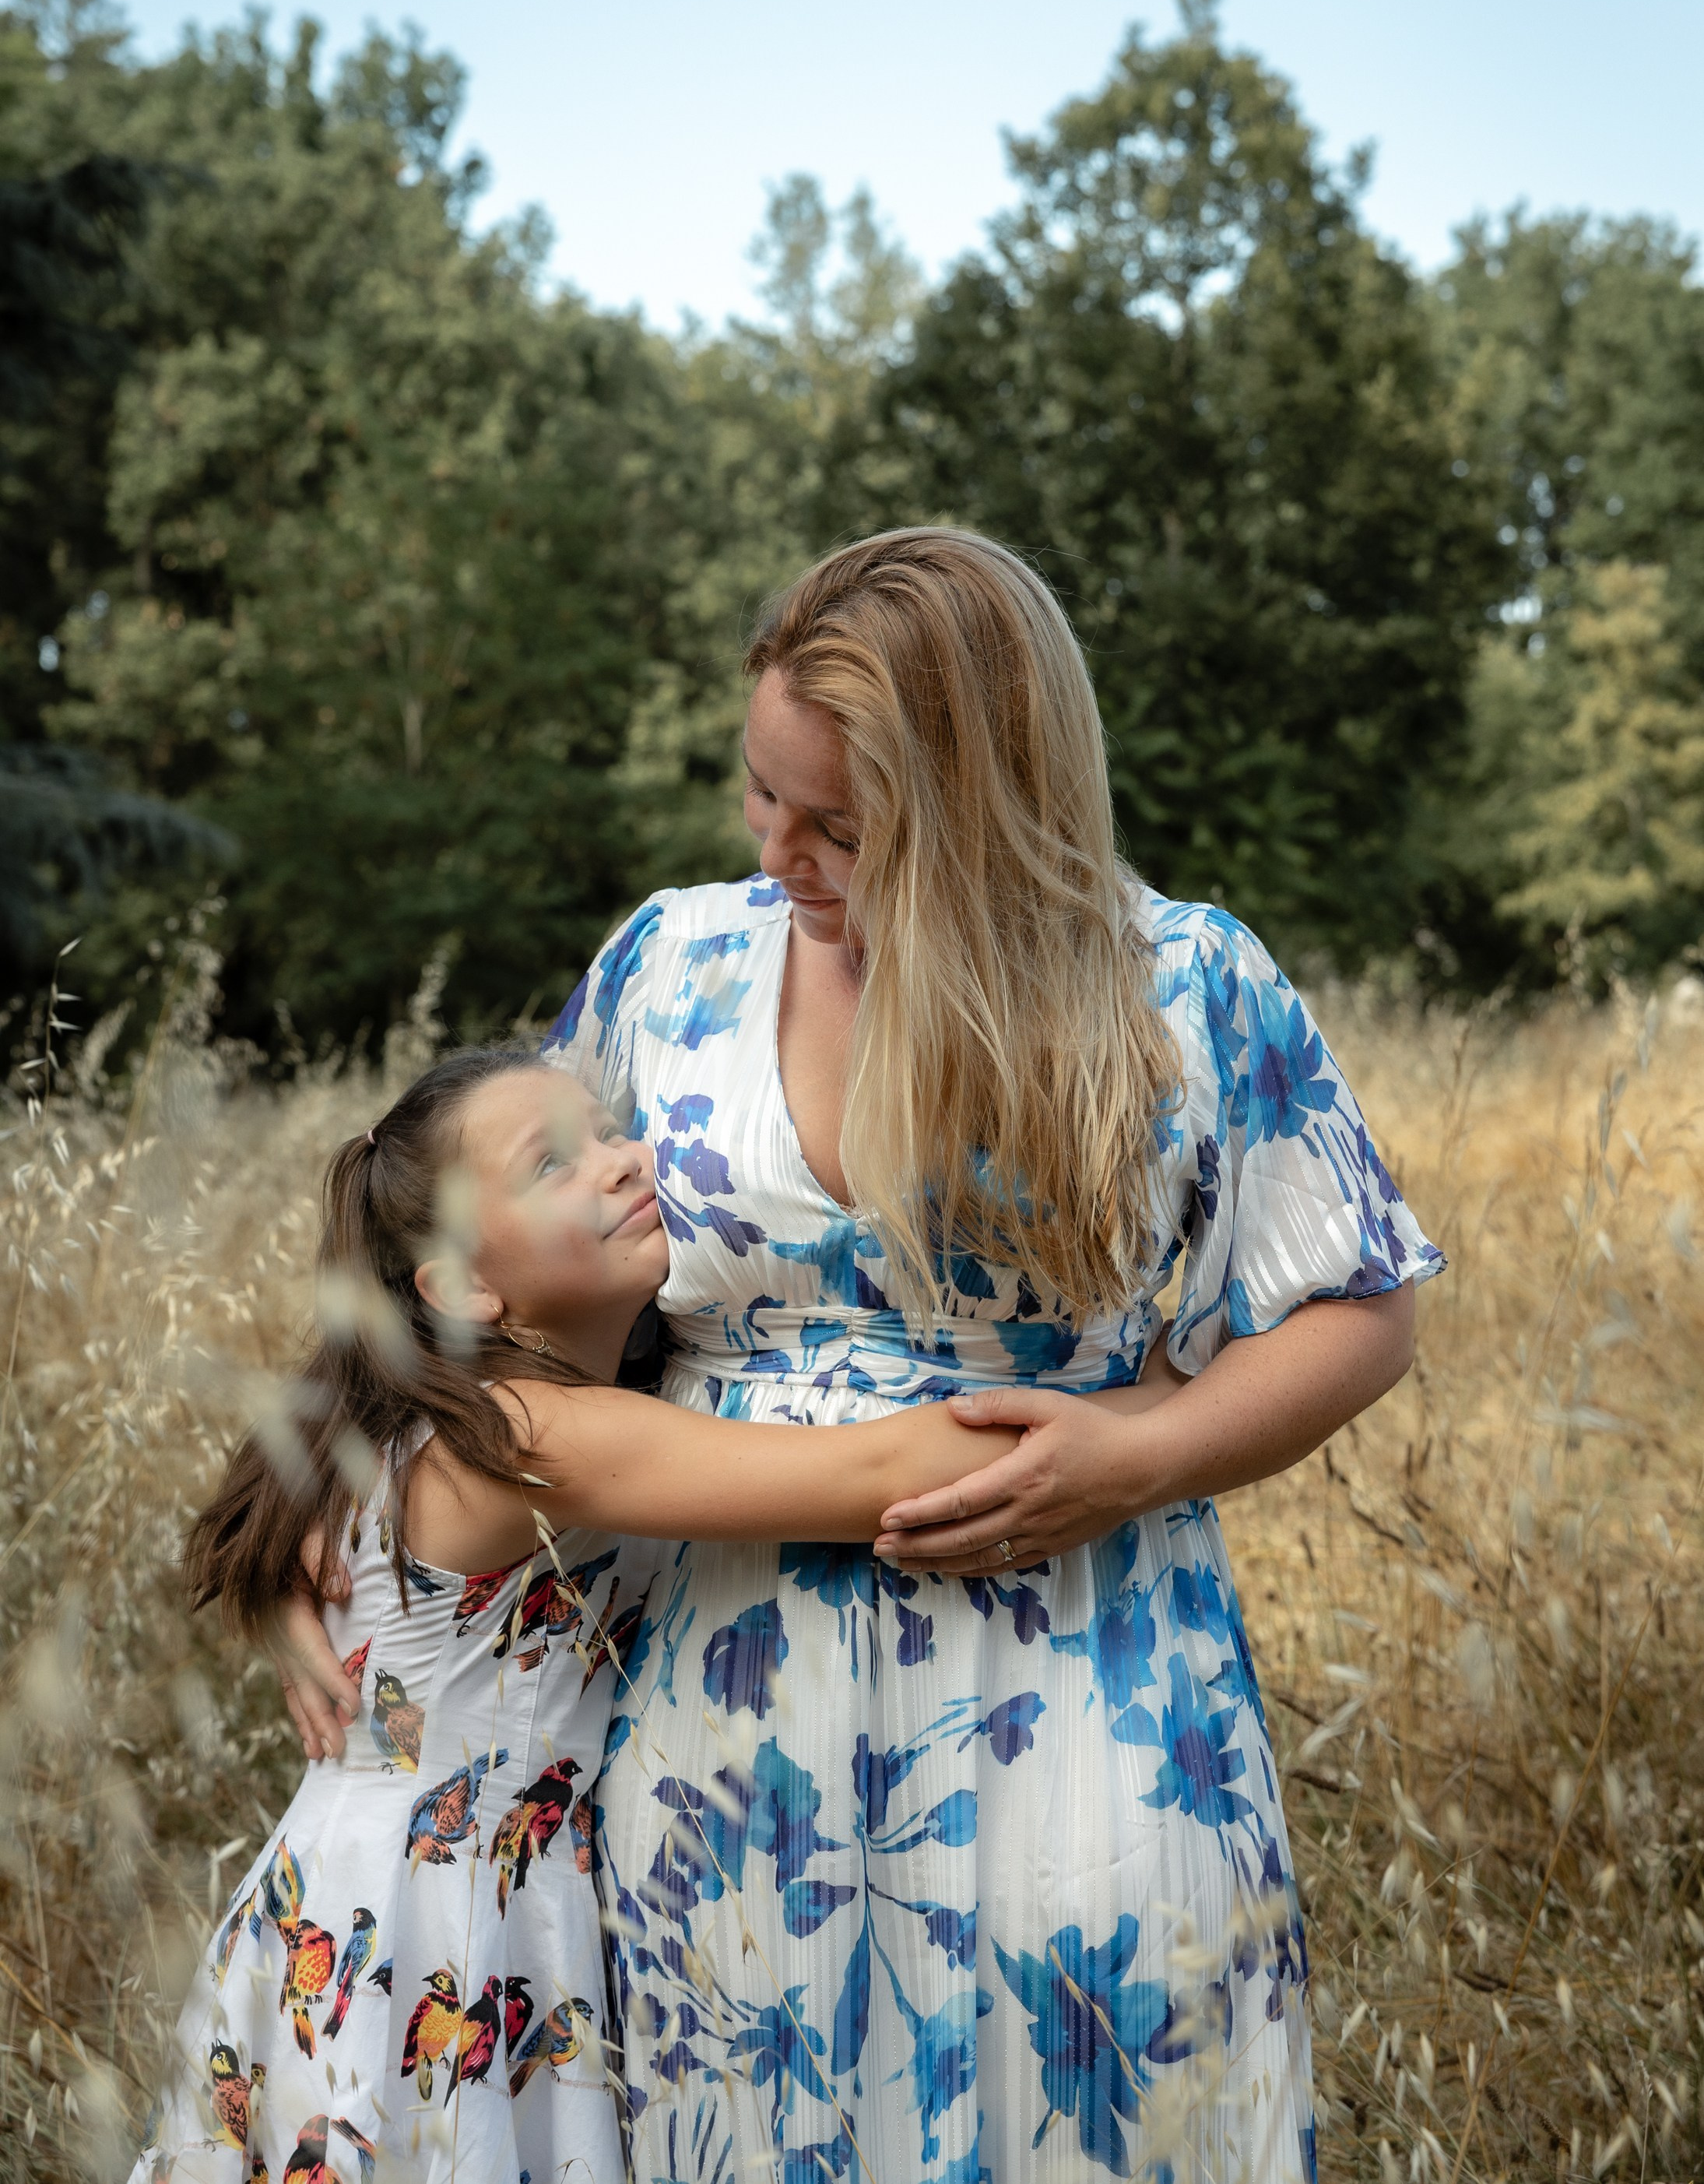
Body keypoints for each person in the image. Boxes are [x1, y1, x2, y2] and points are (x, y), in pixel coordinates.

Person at [276, 527, 1439, 2182]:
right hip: (727, 1761)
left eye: (841, 821)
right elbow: (470, 1260)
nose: (784, 852)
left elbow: (1365, 1299)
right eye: (764, 798)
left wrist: (1145, 1454)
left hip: (1091, 1698)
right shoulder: (671, 963)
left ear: (984, 804)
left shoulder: (1181, 985)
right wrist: (325, 1515)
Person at [139, 1042, 1158, 2183]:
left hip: (384, 1898)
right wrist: (1162, 1393)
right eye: (552, 1164)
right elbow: (876, 1470)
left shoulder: (459, 1410)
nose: (624, 1163)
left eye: (612, 1132)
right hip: (430, 1927)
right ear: (468, 1288)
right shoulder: (529, 1435)